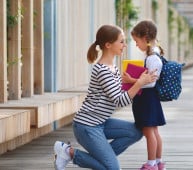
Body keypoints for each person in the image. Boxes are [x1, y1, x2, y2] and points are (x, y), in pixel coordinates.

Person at [53, 25, 157, 170]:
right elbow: (120, 100)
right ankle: (69, 153)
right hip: (87, 126)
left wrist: (132, 81)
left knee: (136, 132)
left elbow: (118, 93)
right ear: (108, 45)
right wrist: (139, 83)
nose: (125, 45)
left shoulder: (112, 67)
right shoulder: (102, 70)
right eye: (121, 42)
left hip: (101, 122)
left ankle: (103, 159)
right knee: (112, 168)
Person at [123, 20, 166, 170]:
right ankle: (158, 162)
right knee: (154, 132)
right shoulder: (155, 54)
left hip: (147, 100)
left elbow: (150, 83)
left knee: (149, 133)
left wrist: (131, 80)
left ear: (145, 38)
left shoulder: (153, 58)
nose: (136, 45)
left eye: (136, 41)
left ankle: (151, 164)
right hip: (149, 99)